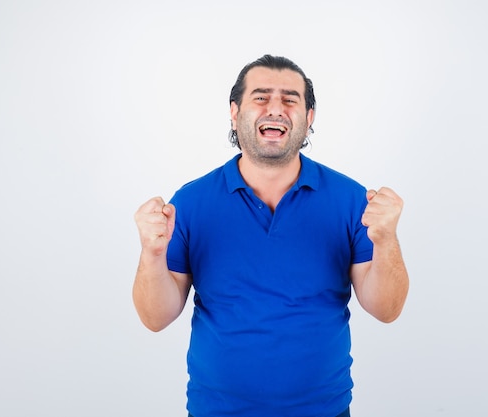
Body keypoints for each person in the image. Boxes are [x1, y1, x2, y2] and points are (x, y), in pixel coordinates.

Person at [133, 54, 409, 417]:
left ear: (309, 118)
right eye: (260, 97)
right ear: (234, 112)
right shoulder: (190, 203)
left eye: (290, 99)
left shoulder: (352, 201)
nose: (275, 108)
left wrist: (387, 239)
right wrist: (151, 254)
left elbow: (386, 310)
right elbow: (155, 318)